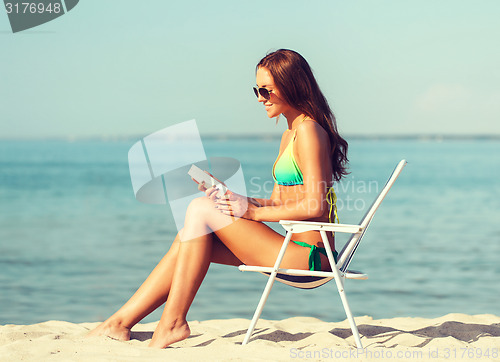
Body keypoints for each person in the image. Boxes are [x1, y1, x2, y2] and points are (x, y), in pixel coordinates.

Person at [87, 49, 349, 348]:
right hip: (292, 247)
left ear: (292, 86)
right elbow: (279, 201)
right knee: (192, 234)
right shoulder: (290, 133)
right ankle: (119, 323)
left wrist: (248, 212)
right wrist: (235, 198)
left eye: (266, 90)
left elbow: (316, 205)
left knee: (200, 208)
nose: (260, 98)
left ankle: (172, 323)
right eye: (256, 90)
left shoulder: (309, 131)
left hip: (309, 256)